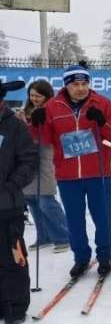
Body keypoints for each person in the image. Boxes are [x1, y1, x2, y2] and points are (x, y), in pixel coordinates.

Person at [32, 63, 111, 278]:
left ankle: (104, 256)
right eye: (76, 84)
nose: (81, 88)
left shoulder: (101, 103)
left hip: (98, 173)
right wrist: (36, 124)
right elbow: (44, 138)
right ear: (67, 86)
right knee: (74, 220)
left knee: (102, 218)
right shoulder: (52, 106)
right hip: (68, 176)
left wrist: (101, 122)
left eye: (84, 83)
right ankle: (81, 258)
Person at [0, 81, 38, 324]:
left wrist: (12, 184)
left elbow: (29, 161)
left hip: (7, 205)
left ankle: (15, 305)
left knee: (12, 256)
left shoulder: (15, 126)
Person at [16, 80, 69, 253]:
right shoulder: (28, 110)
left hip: (45, 154)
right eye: (32, 95)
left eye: (38, 96)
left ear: (47, 96)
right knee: (32, 199)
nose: (34, 99)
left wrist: (26, 123)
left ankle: (63, 236)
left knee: (46, 198)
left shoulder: (50, 110)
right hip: (27, 156)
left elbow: (43, 134)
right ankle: (44, 235)